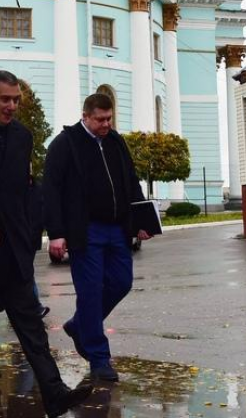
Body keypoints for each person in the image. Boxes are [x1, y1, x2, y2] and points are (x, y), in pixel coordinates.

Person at [0, 71, 93, 416]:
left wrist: (31, 233)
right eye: (5, 99)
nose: (12, 106)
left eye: (16, 99)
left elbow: (26, 191)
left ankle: (54, 391)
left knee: (31, 326)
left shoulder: (22, 136)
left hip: (13, 250)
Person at [42, 92, 151, 383]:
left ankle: (79, 325)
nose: (106, 124)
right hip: (85, 230)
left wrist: (140, 220)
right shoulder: (66, 144)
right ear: (86, 116)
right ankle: (99, 358)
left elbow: (130, 180)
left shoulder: (115, 141)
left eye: (109, 118)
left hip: (117, 229)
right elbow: (50, 189)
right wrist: (56, 233)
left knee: (121, 282)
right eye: (100, 119)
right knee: (90, 292)